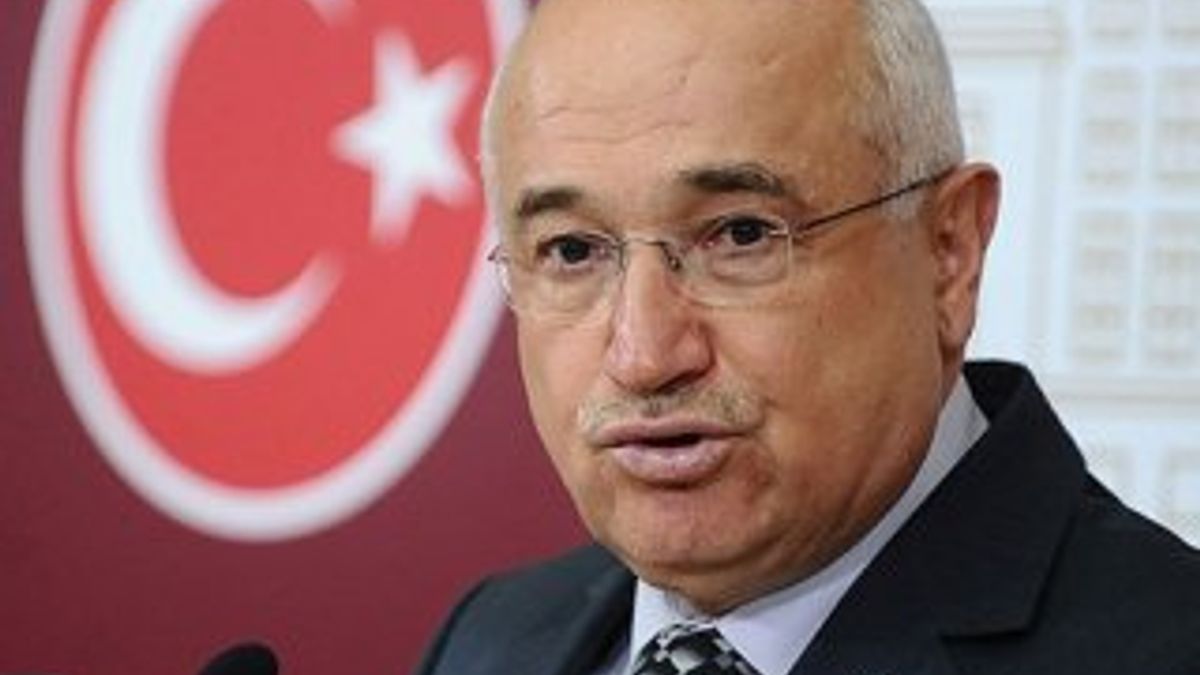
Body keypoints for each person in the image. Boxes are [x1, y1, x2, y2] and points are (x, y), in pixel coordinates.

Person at [415, 0, 1200, 673]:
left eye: (741, 235)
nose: (644, 355)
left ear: (949, 250)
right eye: (571, 250)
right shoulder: (489, 639)